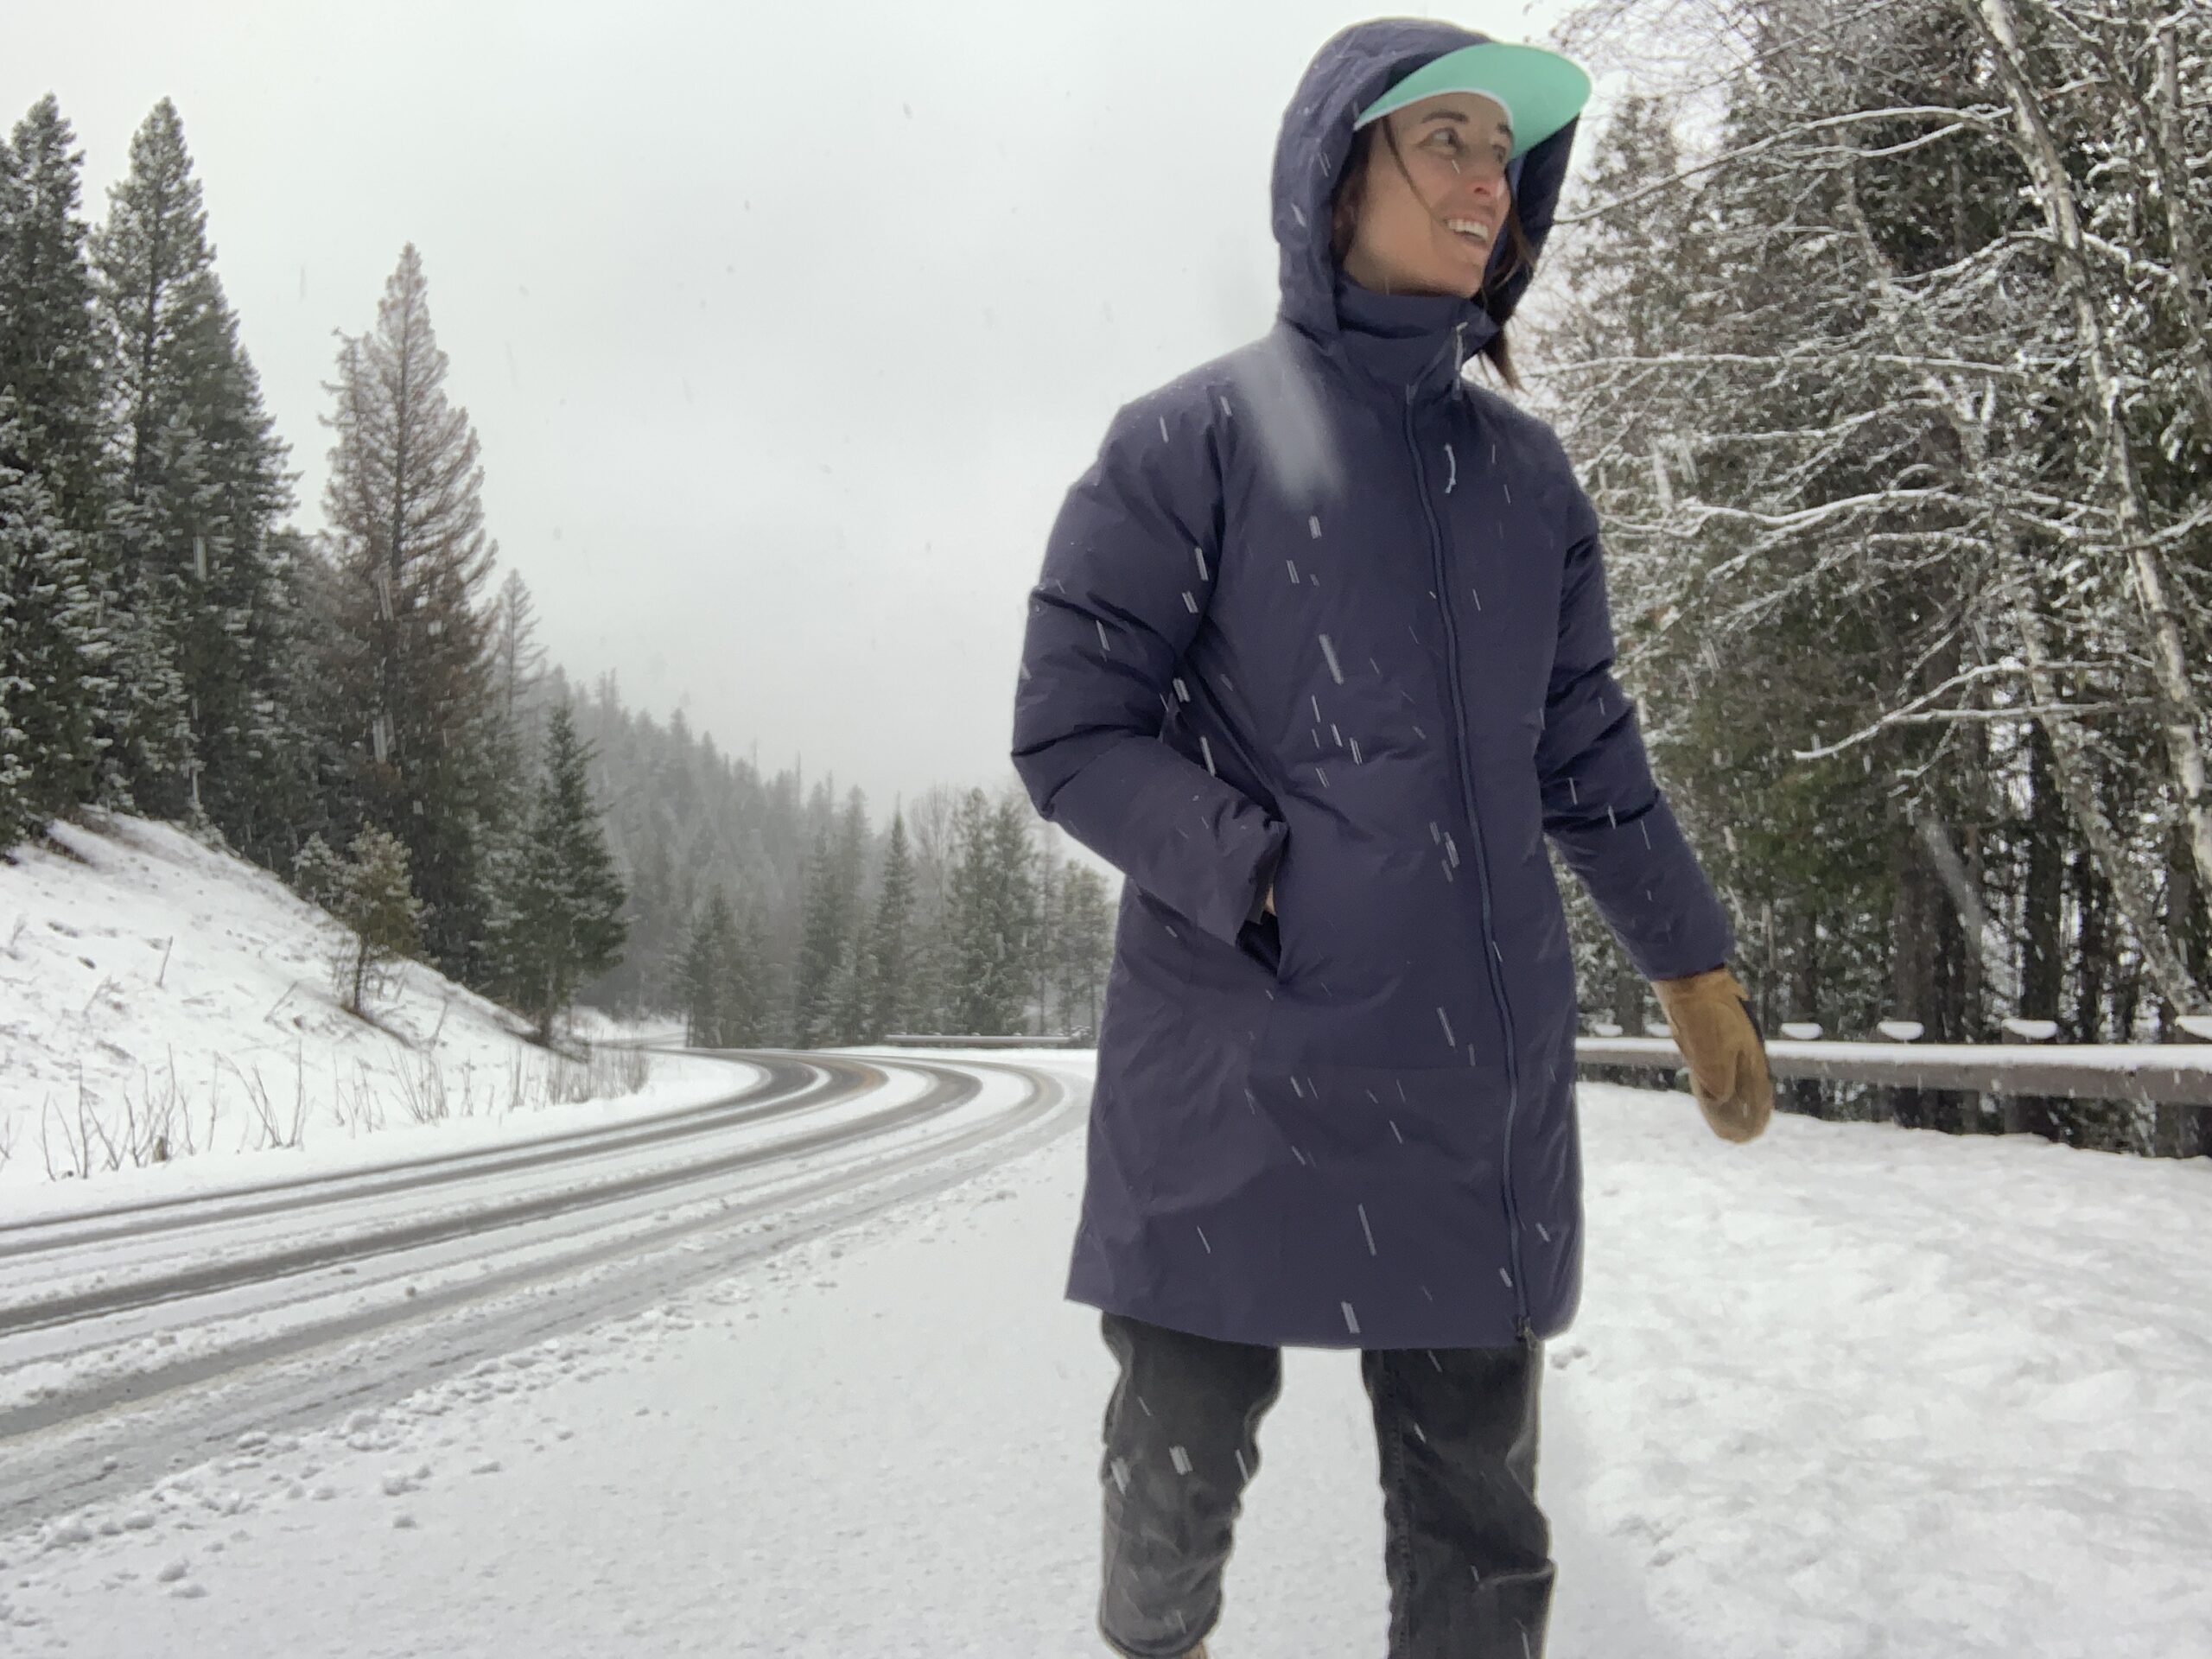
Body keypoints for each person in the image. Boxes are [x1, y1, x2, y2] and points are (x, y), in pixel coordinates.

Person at [1009, 18, 1774, 1658]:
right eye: (1448, 143)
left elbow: (1591, 759)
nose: (1486, 180)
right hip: (1233, 1070)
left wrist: (1693, 961)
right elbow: (1070, 731)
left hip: (1465, 1091)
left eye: (1505, 154)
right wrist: (1262, 871)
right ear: (1336, 174)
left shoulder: (1529, 482)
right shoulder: (1189, 442)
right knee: (1171, 1490)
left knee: (1481, 1533)